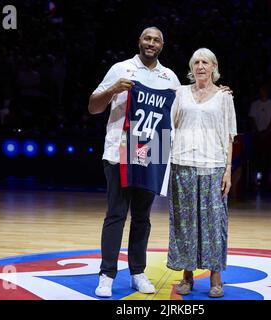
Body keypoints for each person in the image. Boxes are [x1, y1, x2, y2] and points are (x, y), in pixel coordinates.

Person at [87, 27, 181, 297]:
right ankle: (107, 275)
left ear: (162, 46)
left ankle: (137, 273)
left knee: (143, 217)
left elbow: (176, 117)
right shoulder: (121, 69)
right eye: (147, 38)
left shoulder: (170, 78)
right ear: (139, 41)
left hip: (153, 152)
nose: (151, 43)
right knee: (116, 214)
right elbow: (93, 106)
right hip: (120, 151)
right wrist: (114, 89)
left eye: (156, 40)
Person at [167, 48, 237, 298]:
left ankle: (216, 279)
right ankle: (187, 277)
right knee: (185, 223)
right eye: (195, 62)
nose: (200, 66)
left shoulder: (224, 97)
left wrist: (228, 169)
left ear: (214, 66)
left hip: (214, 166)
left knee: (214, 225)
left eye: (205, 62)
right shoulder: (180, 93)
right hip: (182, 164)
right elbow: (170, 126)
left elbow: (229, 136)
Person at [248, 84, 271, 190]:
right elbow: (252, 119)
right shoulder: (254, 104)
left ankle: (268, 181)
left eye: (264, 90)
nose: (262, 93)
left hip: (269, 134)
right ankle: (255, 181)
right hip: (257, 134)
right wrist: (258, 132)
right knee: (257, 158)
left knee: (269, 158)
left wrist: (266, 132)